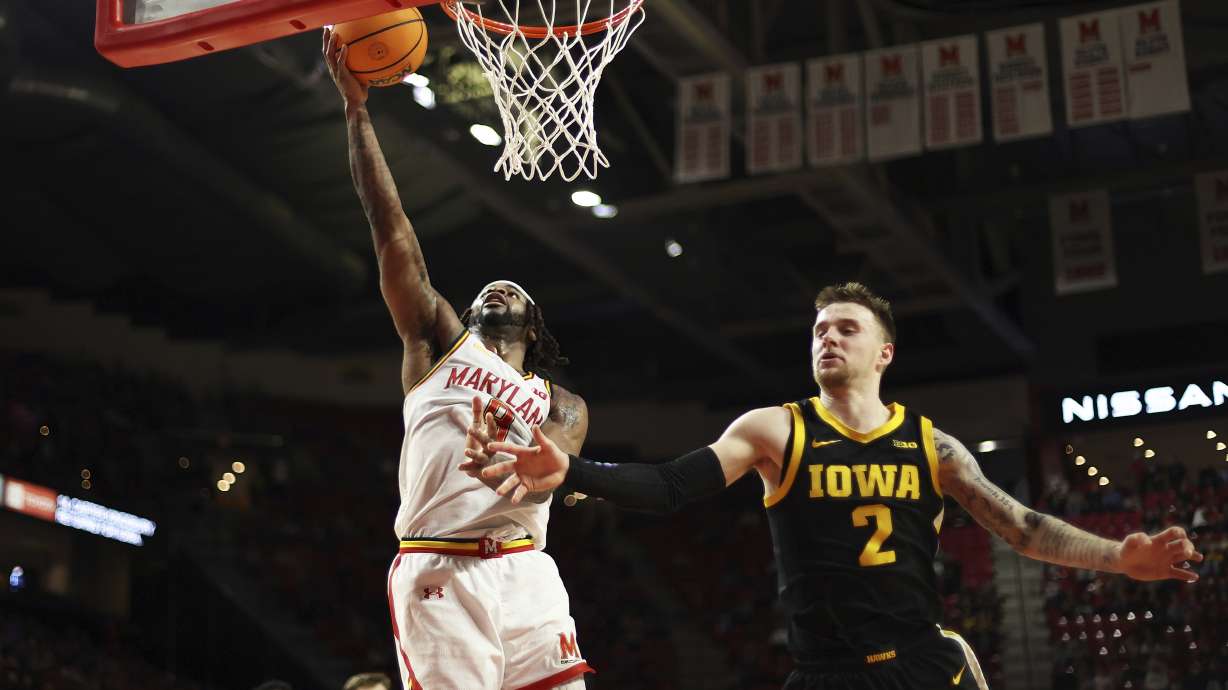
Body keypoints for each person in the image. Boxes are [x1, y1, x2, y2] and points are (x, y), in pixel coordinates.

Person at [467, 282, 1203, 689]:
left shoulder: (932, 445)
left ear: (883, 352)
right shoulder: (774, 430)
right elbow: (669, 486)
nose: (828, 337)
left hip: (923, 665)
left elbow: (1023, 527)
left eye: (845, 328)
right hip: (826, 674)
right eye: (819, 328)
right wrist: (575, 472)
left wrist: (1121, 558)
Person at [322, 29, 593, 690]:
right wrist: (357, 111)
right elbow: (390, 229)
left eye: (513, 289)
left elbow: (551, 465)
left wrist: (521, 467)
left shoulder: (562, 401)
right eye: (483, 292)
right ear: (468, 315)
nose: (496, 287)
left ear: (536, 325)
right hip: (441, 563)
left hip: (528, 570)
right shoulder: (439, 345)